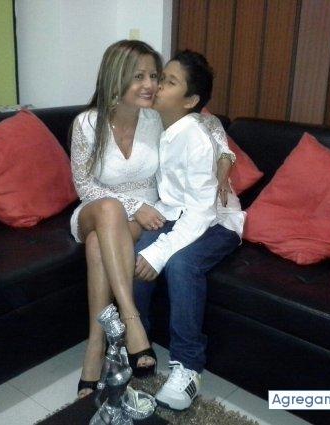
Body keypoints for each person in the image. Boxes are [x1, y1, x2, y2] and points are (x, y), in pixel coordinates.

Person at [70, 40, 236, 398]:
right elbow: (84, 185)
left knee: (100, 244)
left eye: (155, 77)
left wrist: (225, 157)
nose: (151, 85)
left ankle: (97, 346)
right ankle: (131, 321)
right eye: (139, 77)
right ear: (116, 78)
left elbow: (208, 124)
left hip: (147, 213)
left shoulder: (155, 117)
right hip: (96, 208)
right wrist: (132, 206)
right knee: (109, 211)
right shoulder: (87, 123)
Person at [133, 50, 245, 411]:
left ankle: (189, 366)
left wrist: (162, 250)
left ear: (191, 100)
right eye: (160, 77)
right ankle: (137, 341)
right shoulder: (157, 121)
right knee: (135, 250)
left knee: (181, 264)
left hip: (216, 220)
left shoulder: (195, 136)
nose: (156, 86)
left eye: (169, 82)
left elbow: (200, 212)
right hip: (175, 212)